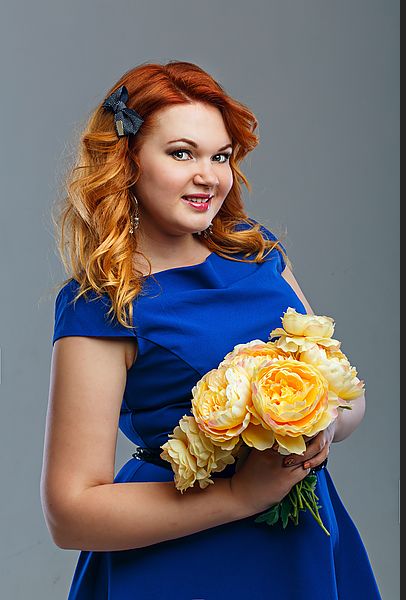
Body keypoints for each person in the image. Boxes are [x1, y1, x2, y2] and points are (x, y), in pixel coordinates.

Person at [40, 60, 382, 600]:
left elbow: (347, 393)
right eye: (182, 153)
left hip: (303, 541)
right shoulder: (105, 304)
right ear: (127, 161)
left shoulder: (257, 252)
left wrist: (323, 424)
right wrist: (242, 496)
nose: (210, 175)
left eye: (220, 156)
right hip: (184, 563)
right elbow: (69, 512)